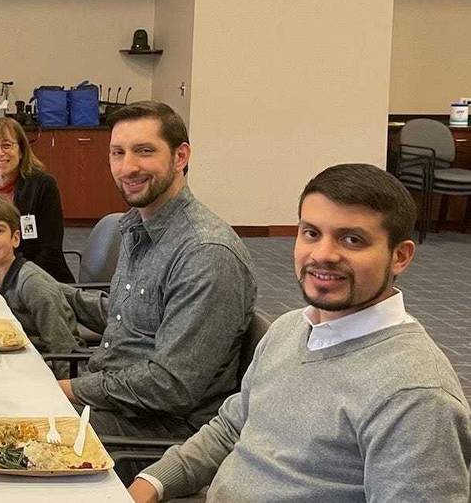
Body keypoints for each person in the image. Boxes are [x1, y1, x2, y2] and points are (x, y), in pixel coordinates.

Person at [129, 164, 471, 503]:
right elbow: (231, 427)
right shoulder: (291, 328)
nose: (322, 254)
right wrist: (152, 482)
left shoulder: (415, 396)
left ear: (400, 257)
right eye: (311, 233)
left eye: (352, 239)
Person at [56, 101, 256, 438]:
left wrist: (70, 389)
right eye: (117, 153)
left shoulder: (206, 254)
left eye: (144, 151)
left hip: (154, 430)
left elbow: (171, 386)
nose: (127, 167)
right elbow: (126, 319)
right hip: (114, 399)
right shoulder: (138, 227)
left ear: (180, 157)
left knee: (5, 424)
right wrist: (50, 289)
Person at [0, 194, 80, 371]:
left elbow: (63, 350)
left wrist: (65, 391)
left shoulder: (33, 285)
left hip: (44, 364)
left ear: (15, 238)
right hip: (20, 354)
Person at [0, 116, 73, 282]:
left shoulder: (43, 186)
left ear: (21, 150)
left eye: (7, 145)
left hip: (42, 280)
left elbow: (50, 251)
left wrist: (12, 280)